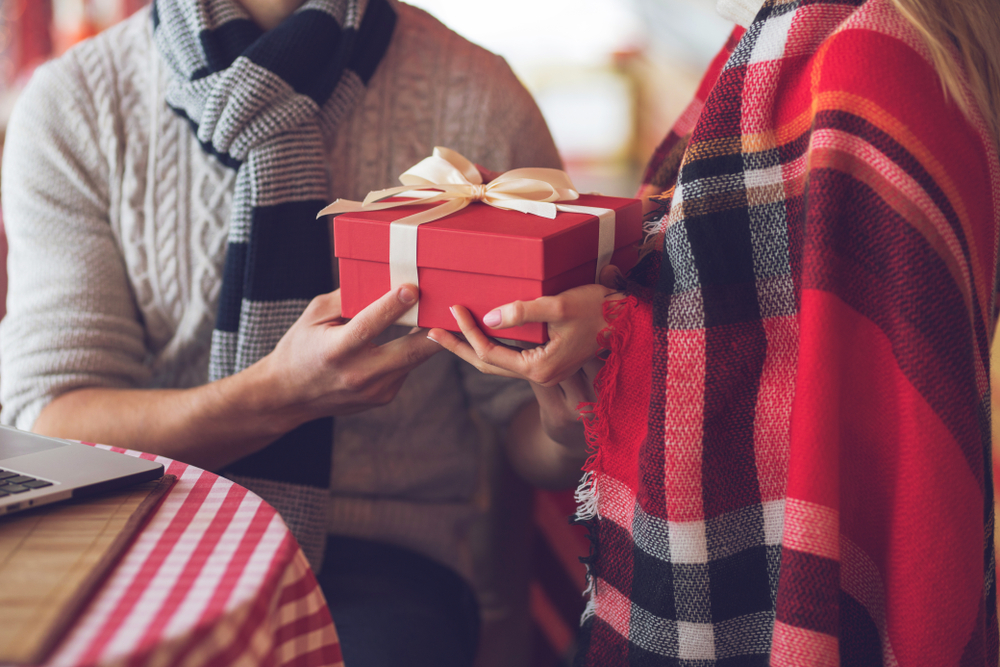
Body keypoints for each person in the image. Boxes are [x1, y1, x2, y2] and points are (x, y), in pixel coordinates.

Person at [0, 0, 584, 664]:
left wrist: (570, 422)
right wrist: (277, 395)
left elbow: (528, 431)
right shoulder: (75, 104)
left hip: (380, 559)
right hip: (139, 531)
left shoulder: (479, 99)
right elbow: (52, 422)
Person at [430, 0, 1000, 663]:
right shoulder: (820, 41)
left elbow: (816, 366)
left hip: (763, 580)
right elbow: (766, 306)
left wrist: (612, 322)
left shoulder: (862, 55)